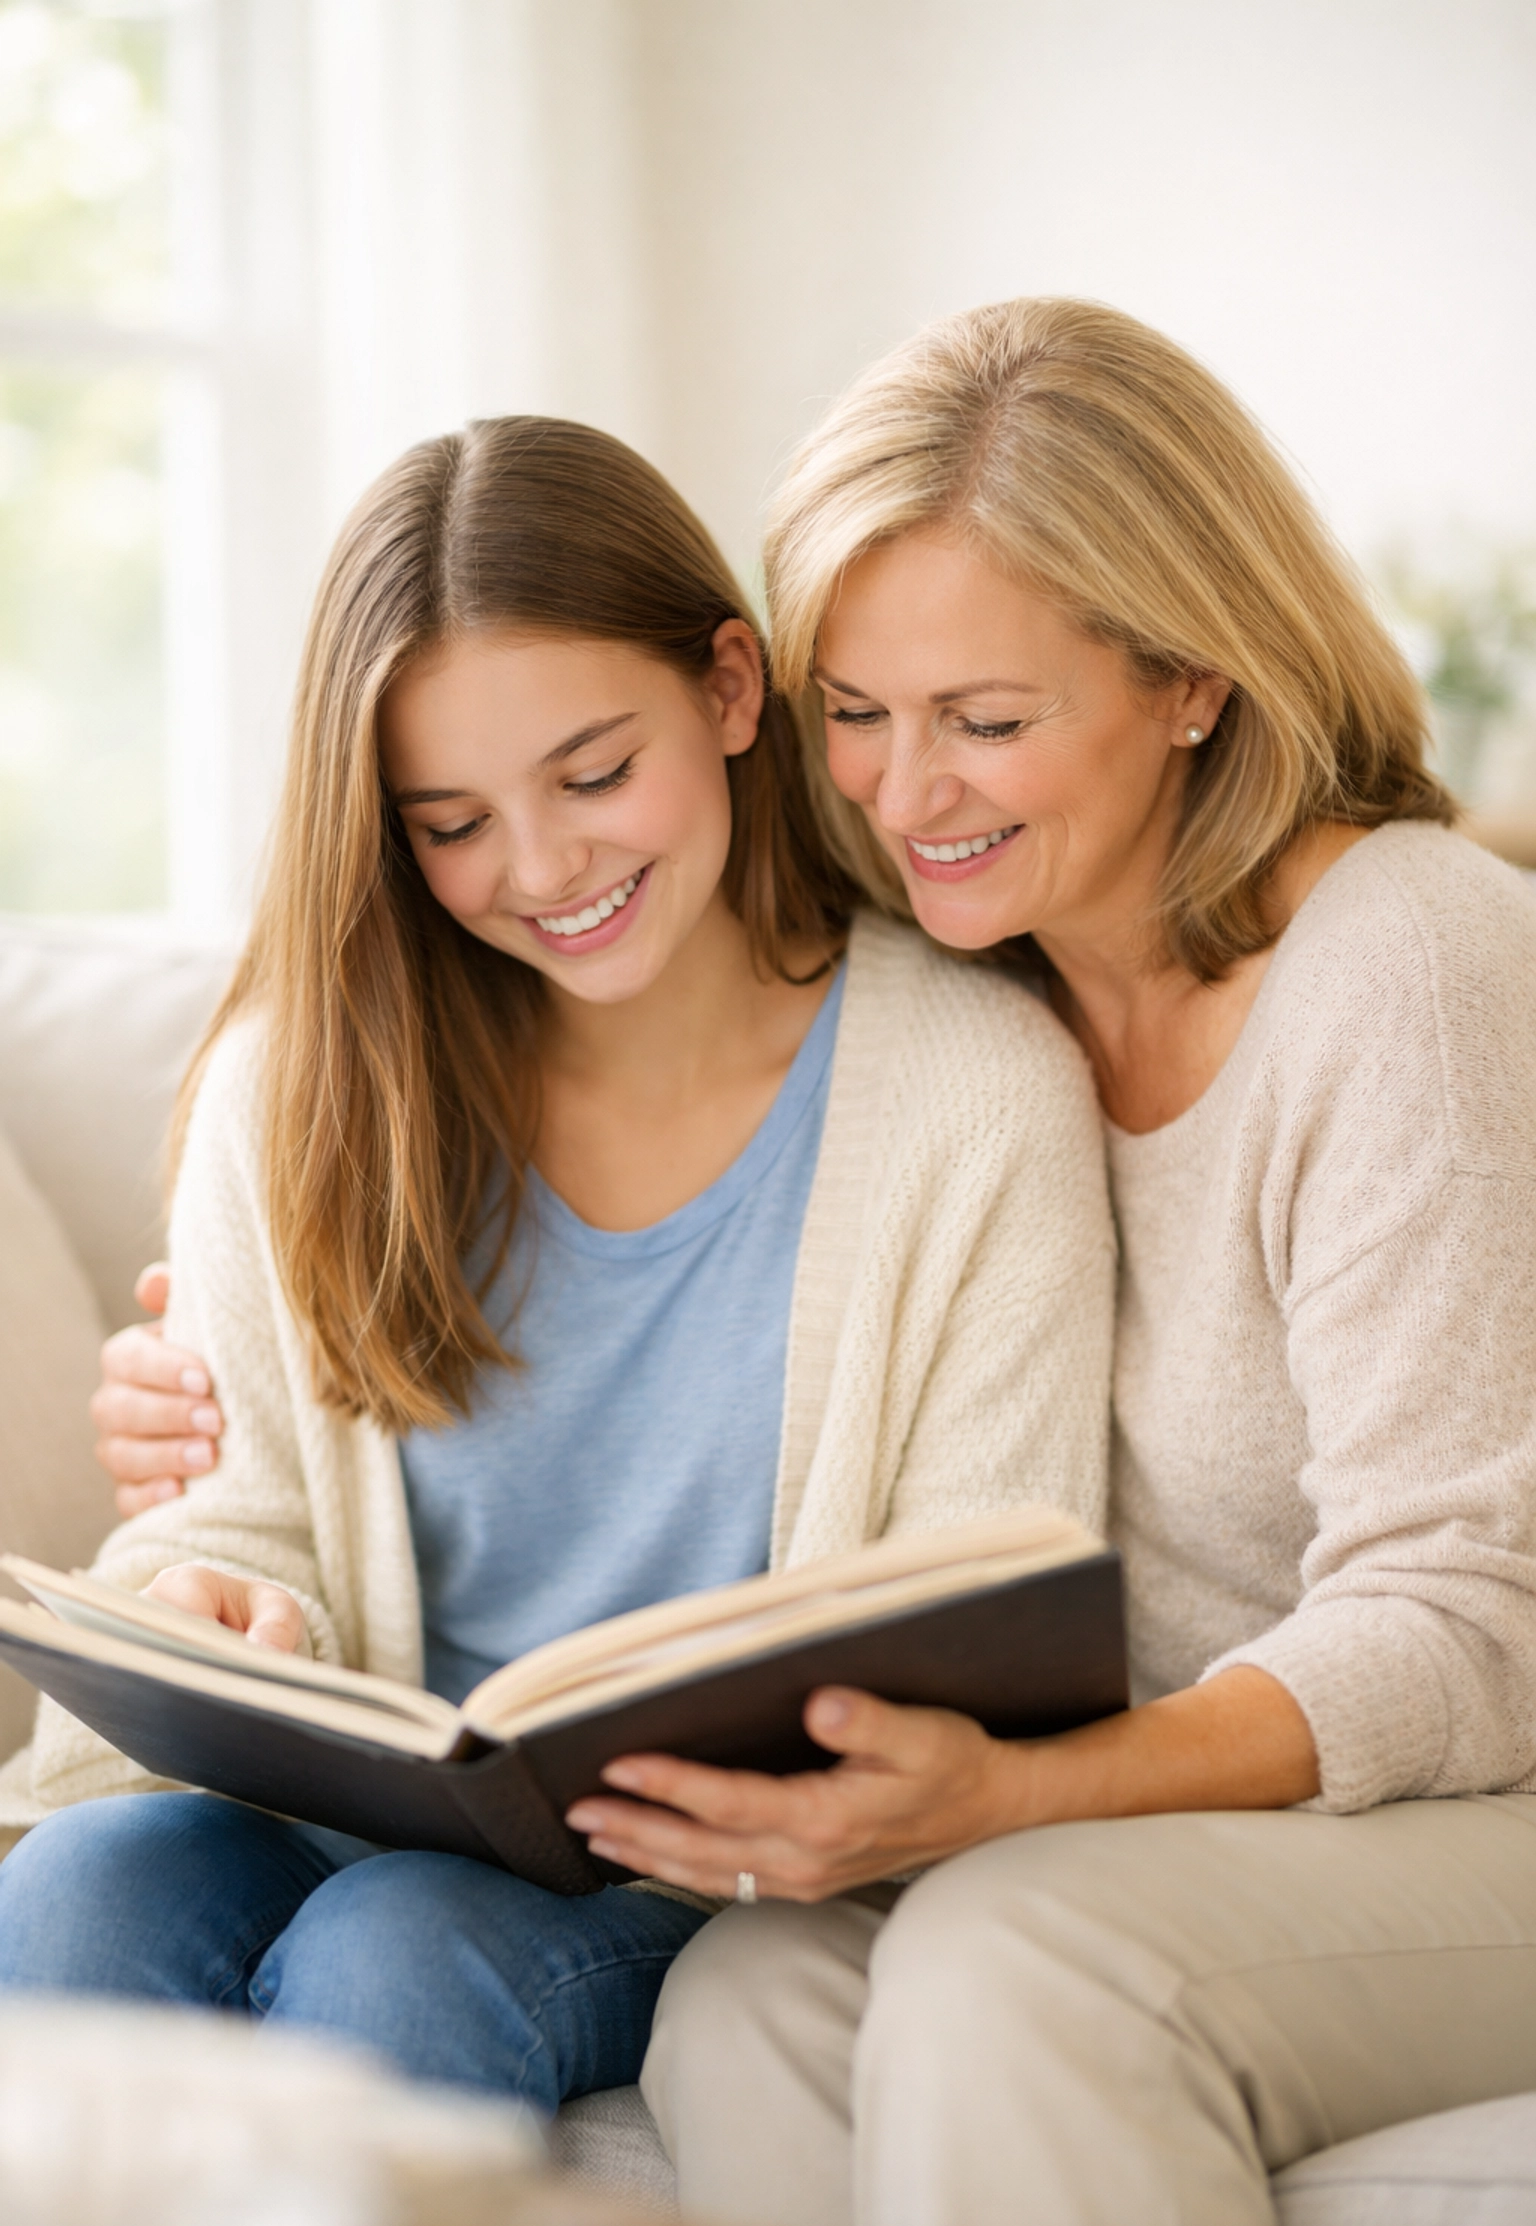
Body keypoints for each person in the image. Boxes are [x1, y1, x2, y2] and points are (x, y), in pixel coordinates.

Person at [563, 301, 1536, 2226]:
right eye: (856, 711)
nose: (907, 795)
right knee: (748, 1997)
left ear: (1194, 679)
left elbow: (1461, 1628)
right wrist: (212, 1387)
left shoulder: (1409, 967)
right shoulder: (945, 990)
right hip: (1193, 1802)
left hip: (1484, 1785)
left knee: (1030, 1956)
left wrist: (1025, 1798)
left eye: (985, 721)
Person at [0, 413, 1115, 2119]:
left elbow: (981, 1601)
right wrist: (198, 1603)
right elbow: (234, 1509)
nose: (542, 870)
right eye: (451, 823)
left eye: (595, 775)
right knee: (80, 1889)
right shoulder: (307, 1085)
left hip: (683, 1875)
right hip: (356, 1800)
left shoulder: (975, 1095)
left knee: (399, 1949)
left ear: (732, 691)